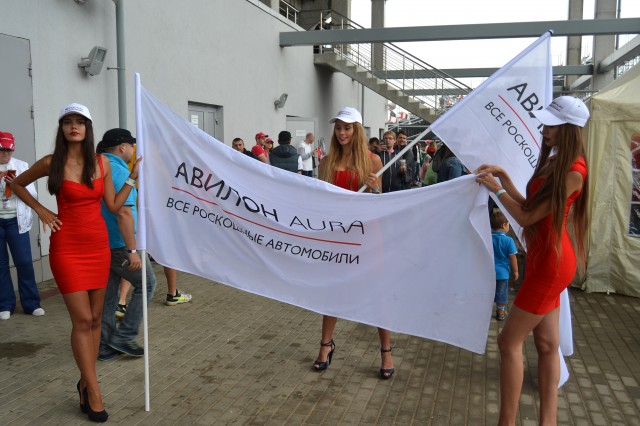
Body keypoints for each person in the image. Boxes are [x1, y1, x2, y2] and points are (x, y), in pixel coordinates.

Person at [11, 103, 141, 422]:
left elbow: (113, 205)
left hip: (97, 246)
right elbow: (15, 184)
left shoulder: (101, 163)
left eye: (80, 122)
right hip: (67, 248)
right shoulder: (51, 162)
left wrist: (132, 178)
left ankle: (84, 382)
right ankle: (94, 390)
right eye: (68, 122)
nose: (74, 126)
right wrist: (41, 210)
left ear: (87, 128)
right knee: (82, 320)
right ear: (62, 128)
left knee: (96, 319)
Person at [475, 96, 590, 425]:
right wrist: (504, 178)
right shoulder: (558, 161)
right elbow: (531, 207)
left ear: (569, 128)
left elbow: (525, 218)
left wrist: (496, 190)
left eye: (551, 125)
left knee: (508, 342)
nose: (544, 129)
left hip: (550, 264)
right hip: (546, 260)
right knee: (546, 344)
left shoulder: (573, 171)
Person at [315, 107, 395, 380]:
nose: (342, 133)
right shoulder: (326, 162)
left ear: (357, 130)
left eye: (347, 127)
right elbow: (322, 202)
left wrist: (374, 188)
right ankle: (326, 345)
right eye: (338, 127)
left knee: (377, 293)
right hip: (339, 235)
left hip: (368, 236)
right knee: (333, 291)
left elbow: (379, 201)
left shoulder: (373, 161)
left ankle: (386, 350)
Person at [98, 128, 157, 361]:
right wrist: (132, 250)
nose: (133, 150)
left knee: (109, 296)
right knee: (147, 284)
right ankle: (123, 337)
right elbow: (123, 212)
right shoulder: (119, 170)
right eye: (131, 146)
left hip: (105, 241)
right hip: (121, 243)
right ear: (122, 147)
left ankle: (105, 345)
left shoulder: (100, 165)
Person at [0, 131, 43, 320]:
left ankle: (31, 304)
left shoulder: (22, 166)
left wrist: (17, 184)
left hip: (16, 221)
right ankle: (5, 304)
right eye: (2, 150)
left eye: (9, 150)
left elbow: (33, 195)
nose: (6, 154)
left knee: (24, 262)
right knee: (0, 265)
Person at [490, 210, 519, 321]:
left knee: (488, 292)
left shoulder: (488, 238)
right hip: (502, 274)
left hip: (488, 272)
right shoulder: (508, 240)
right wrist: (516, 271)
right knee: (501, 293)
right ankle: (501, 311)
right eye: (508, 225)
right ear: (503, 225)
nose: (508, 227)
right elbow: (512, 257)